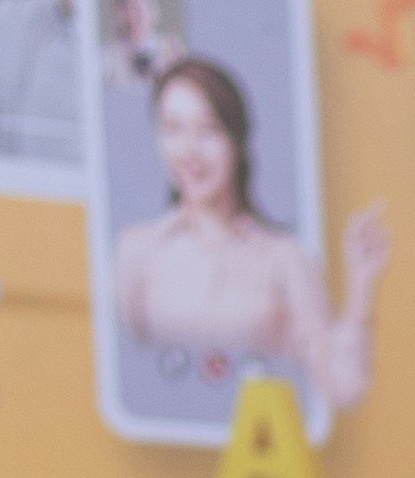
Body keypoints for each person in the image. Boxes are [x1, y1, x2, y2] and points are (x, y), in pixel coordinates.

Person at [108, 52, 387, 414]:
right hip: (159, 461)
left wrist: (361, 284)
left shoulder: (285, 259)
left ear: (236, 141)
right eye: (173, 129)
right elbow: (118, 374)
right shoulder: (136, 251)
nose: (189, 151)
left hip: (258, 457)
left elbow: (343, 388)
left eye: (207, 131)